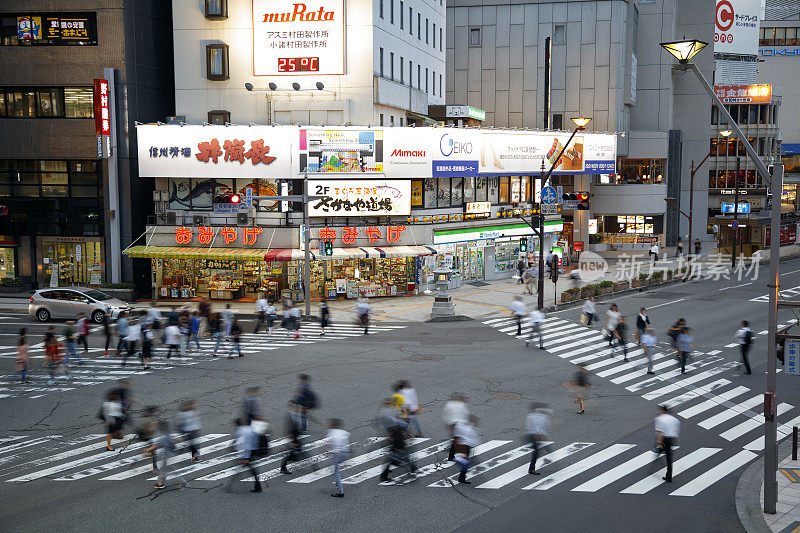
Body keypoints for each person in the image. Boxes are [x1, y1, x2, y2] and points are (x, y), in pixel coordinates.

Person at [379, 400, 417, 482]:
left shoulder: (394, 417)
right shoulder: (394, 419)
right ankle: (384, 475)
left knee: (402, 455)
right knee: (397, 457)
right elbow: (398, 427)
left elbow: (400, 428)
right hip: (397, 439)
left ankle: (413, 467)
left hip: (397, 437)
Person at [225, 418, 262, 493]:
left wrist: (245, 457)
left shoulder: (239, 432)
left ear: (236, 425)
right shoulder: (248, 428)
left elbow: (244, 445)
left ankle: (229, 486)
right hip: (254, 450)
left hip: (248, 453)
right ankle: (258, 486)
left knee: (247, 469)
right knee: (251, 470)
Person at [152, 419, 186, 489]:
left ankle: (160, 484)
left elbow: (157, 445)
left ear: (160, 427)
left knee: (163, 469)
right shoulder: (168, 432)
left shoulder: (162, 435)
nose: (156, 427)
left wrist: (147, 450)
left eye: (157, 426)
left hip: (166, 454)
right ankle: (161, 483)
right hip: (171, 453)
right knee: (166, 468)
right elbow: (179, 439)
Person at [452, 415, 481, 484]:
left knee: (467, 462)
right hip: (463, 446)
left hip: (464, 445)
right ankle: (462, 477)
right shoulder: (468, 428)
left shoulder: (463, 425)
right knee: (466, 462)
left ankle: (462, 477)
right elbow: (472, 437)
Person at [654, 405, 680, 482]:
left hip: (664, 439)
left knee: (659, 451)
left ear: (663, 411)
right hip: (671, 439)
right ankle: (669, 476)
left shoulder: (660, 419)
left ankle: (654, 465)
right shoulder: (674, 420)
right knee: (669, 458)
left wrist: (660, 442)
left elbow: (660, 432)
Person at [525, 403, 552, 475]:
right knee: (536, 451)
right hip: (533, 436)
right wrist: (540, 435)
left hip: (534, 436)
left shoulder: (534, 416)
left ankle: (541, 447)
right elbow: (534, 428)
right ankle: (531, 469)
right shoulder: (536, 417)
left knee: (537, 449)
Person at [326, 419, 351, 497]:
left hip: (338, 453)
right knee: (336, 469)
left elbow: (335, 445)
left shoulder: (332, 432)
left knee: (336, 474)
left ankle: (340, 492)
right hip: (345, 453)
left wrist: (331, 451)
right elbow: (349, 435)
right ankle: (342, 475)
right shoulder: (342, 431)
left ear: (333, 425)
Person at [442, 393, 469, 461]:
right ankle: (465, 455)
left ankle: (451, 456)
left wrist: (448, 425)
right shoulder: (461, 405)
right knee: (462, 440)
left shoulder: (449, 404)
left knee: (456, 440)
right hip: (459, 425)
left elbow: (445, 415)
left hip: (452, 425)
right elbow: (465, 415)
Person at [281, 402, 305, 475]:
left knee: (299, 451)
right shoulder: (291, 416)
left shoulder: (296, 415)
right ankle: (283, 467)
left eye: (298, 407)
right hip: (293, 437)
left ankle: (283, 467)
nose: (297, 409)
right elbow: (289, 428)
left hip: (296, 436)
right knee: (293, 454)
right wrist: (292, 440)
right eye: (296, 407)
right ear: (292, 408)